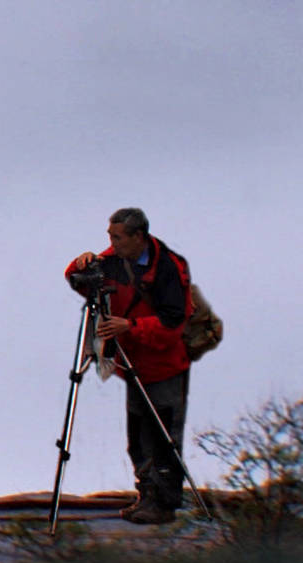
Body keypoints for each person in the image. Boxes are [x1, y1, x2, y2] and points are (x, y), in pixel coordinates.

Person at [63, 208, 207, 518]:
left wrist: (130, 327)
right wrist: (81, 263)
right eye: (109, 237)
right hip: (134, 365)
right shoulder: (115, 259)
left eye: (117, 237)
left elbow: (173, 322)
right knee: (139, 436)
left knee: (163, 435)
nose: (111, 244)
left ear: (137, 237)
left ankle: (164, 503)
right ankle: (146, 495)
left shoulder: (168, 267)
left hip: (164, 365)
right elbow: (80, 281)